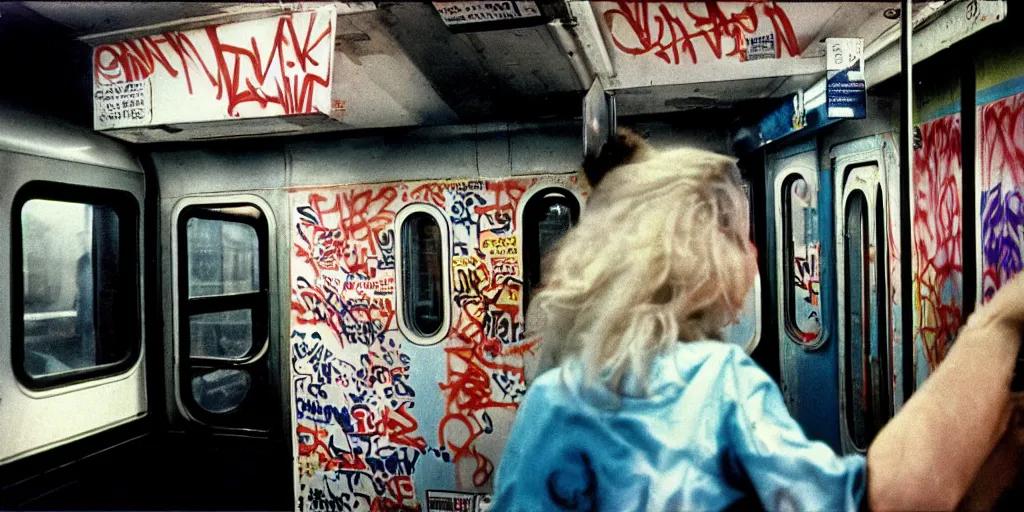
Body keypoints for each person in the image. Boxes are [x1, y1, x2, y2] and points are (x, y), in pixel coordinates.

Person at [490, 129, 1024, 511]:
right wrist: (999, 323)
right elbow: (882, 499)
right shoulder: (718, 385)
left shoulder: (551, 401)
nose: (754, 255)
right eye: (744, 237)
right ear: (701, 257)